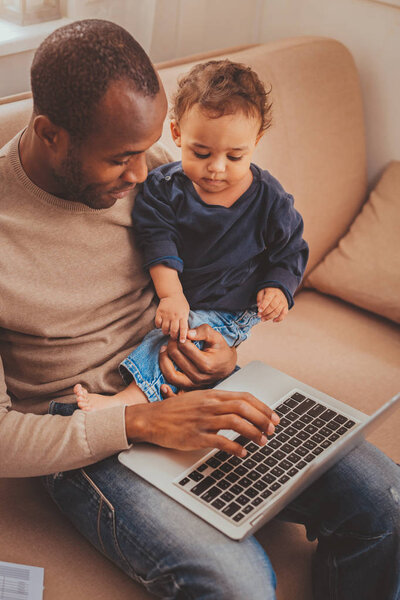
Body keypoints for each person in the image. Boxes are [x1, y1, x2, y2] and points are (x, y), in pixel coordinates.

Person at [0, 19, 399, 600]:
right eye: (120, 161)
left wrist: (222, 353)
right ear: (50, 134)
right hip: (86, 428)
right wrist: (139, 422)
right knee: (235, 584)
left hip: (183, 373)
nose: (143, 174)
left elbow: (226, 270)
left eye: (148, 152)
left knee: (387, 503)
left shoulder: (155, 161)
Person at [74, 59, 309, 412]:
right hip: (182, 298)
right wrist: (171, 296)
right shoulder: (162, 187)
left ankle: (125, 404)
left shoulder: (270, 199)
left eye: (235, 155)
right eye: (201, 153)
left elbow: (291, 248)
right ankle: (161, 398)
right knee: (173, 335)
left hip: (232, 307)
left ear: (256, 142)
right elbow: (157, 240)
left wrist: (279, 287)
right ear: (177, 133)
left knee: (180, 342)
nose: (216, 167)